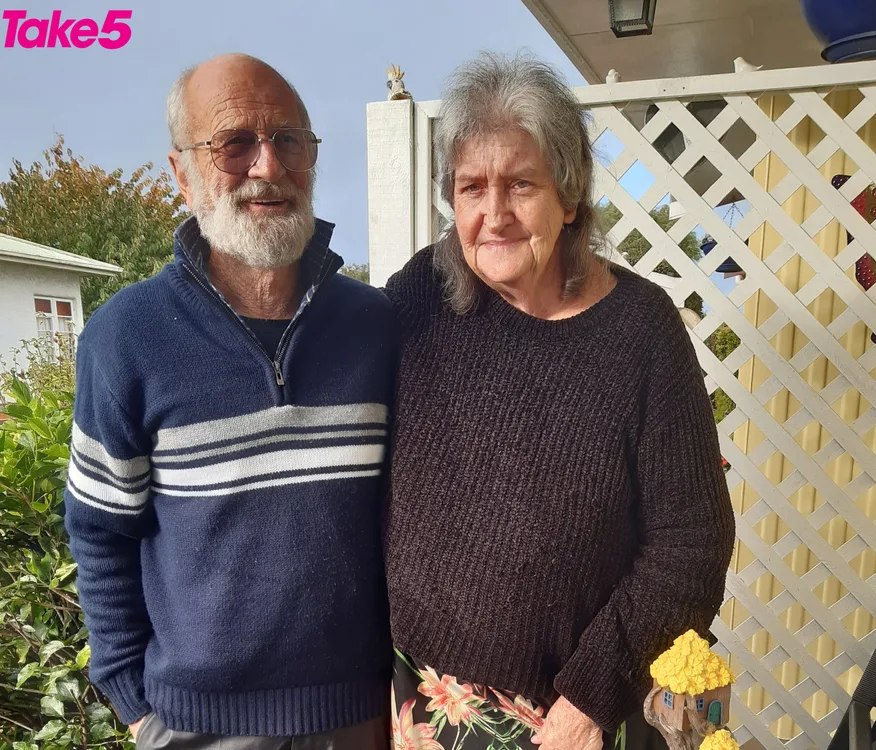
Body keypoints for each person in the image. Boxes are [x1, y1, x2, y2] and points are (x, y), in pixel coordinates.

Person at [383, 53, 736, 750]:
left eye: (521, 185)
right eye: (470, 188)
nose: (493, 214)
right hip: (421, 702)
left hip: (572, 717)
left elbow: (693, 540)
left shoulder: (641, 330)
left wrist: (592, 696)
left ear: (569, 197)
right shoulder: (421, 297)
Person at [64, 54, 394, 750]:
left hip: (361, 717)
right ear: (183, 173)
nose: (267, 167)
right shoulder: (125, 338)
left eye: (289, 140)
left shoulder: (377, 326)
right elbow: (99, 531)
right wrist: (135, 705)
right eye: (234, 143)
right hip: (195, 728)